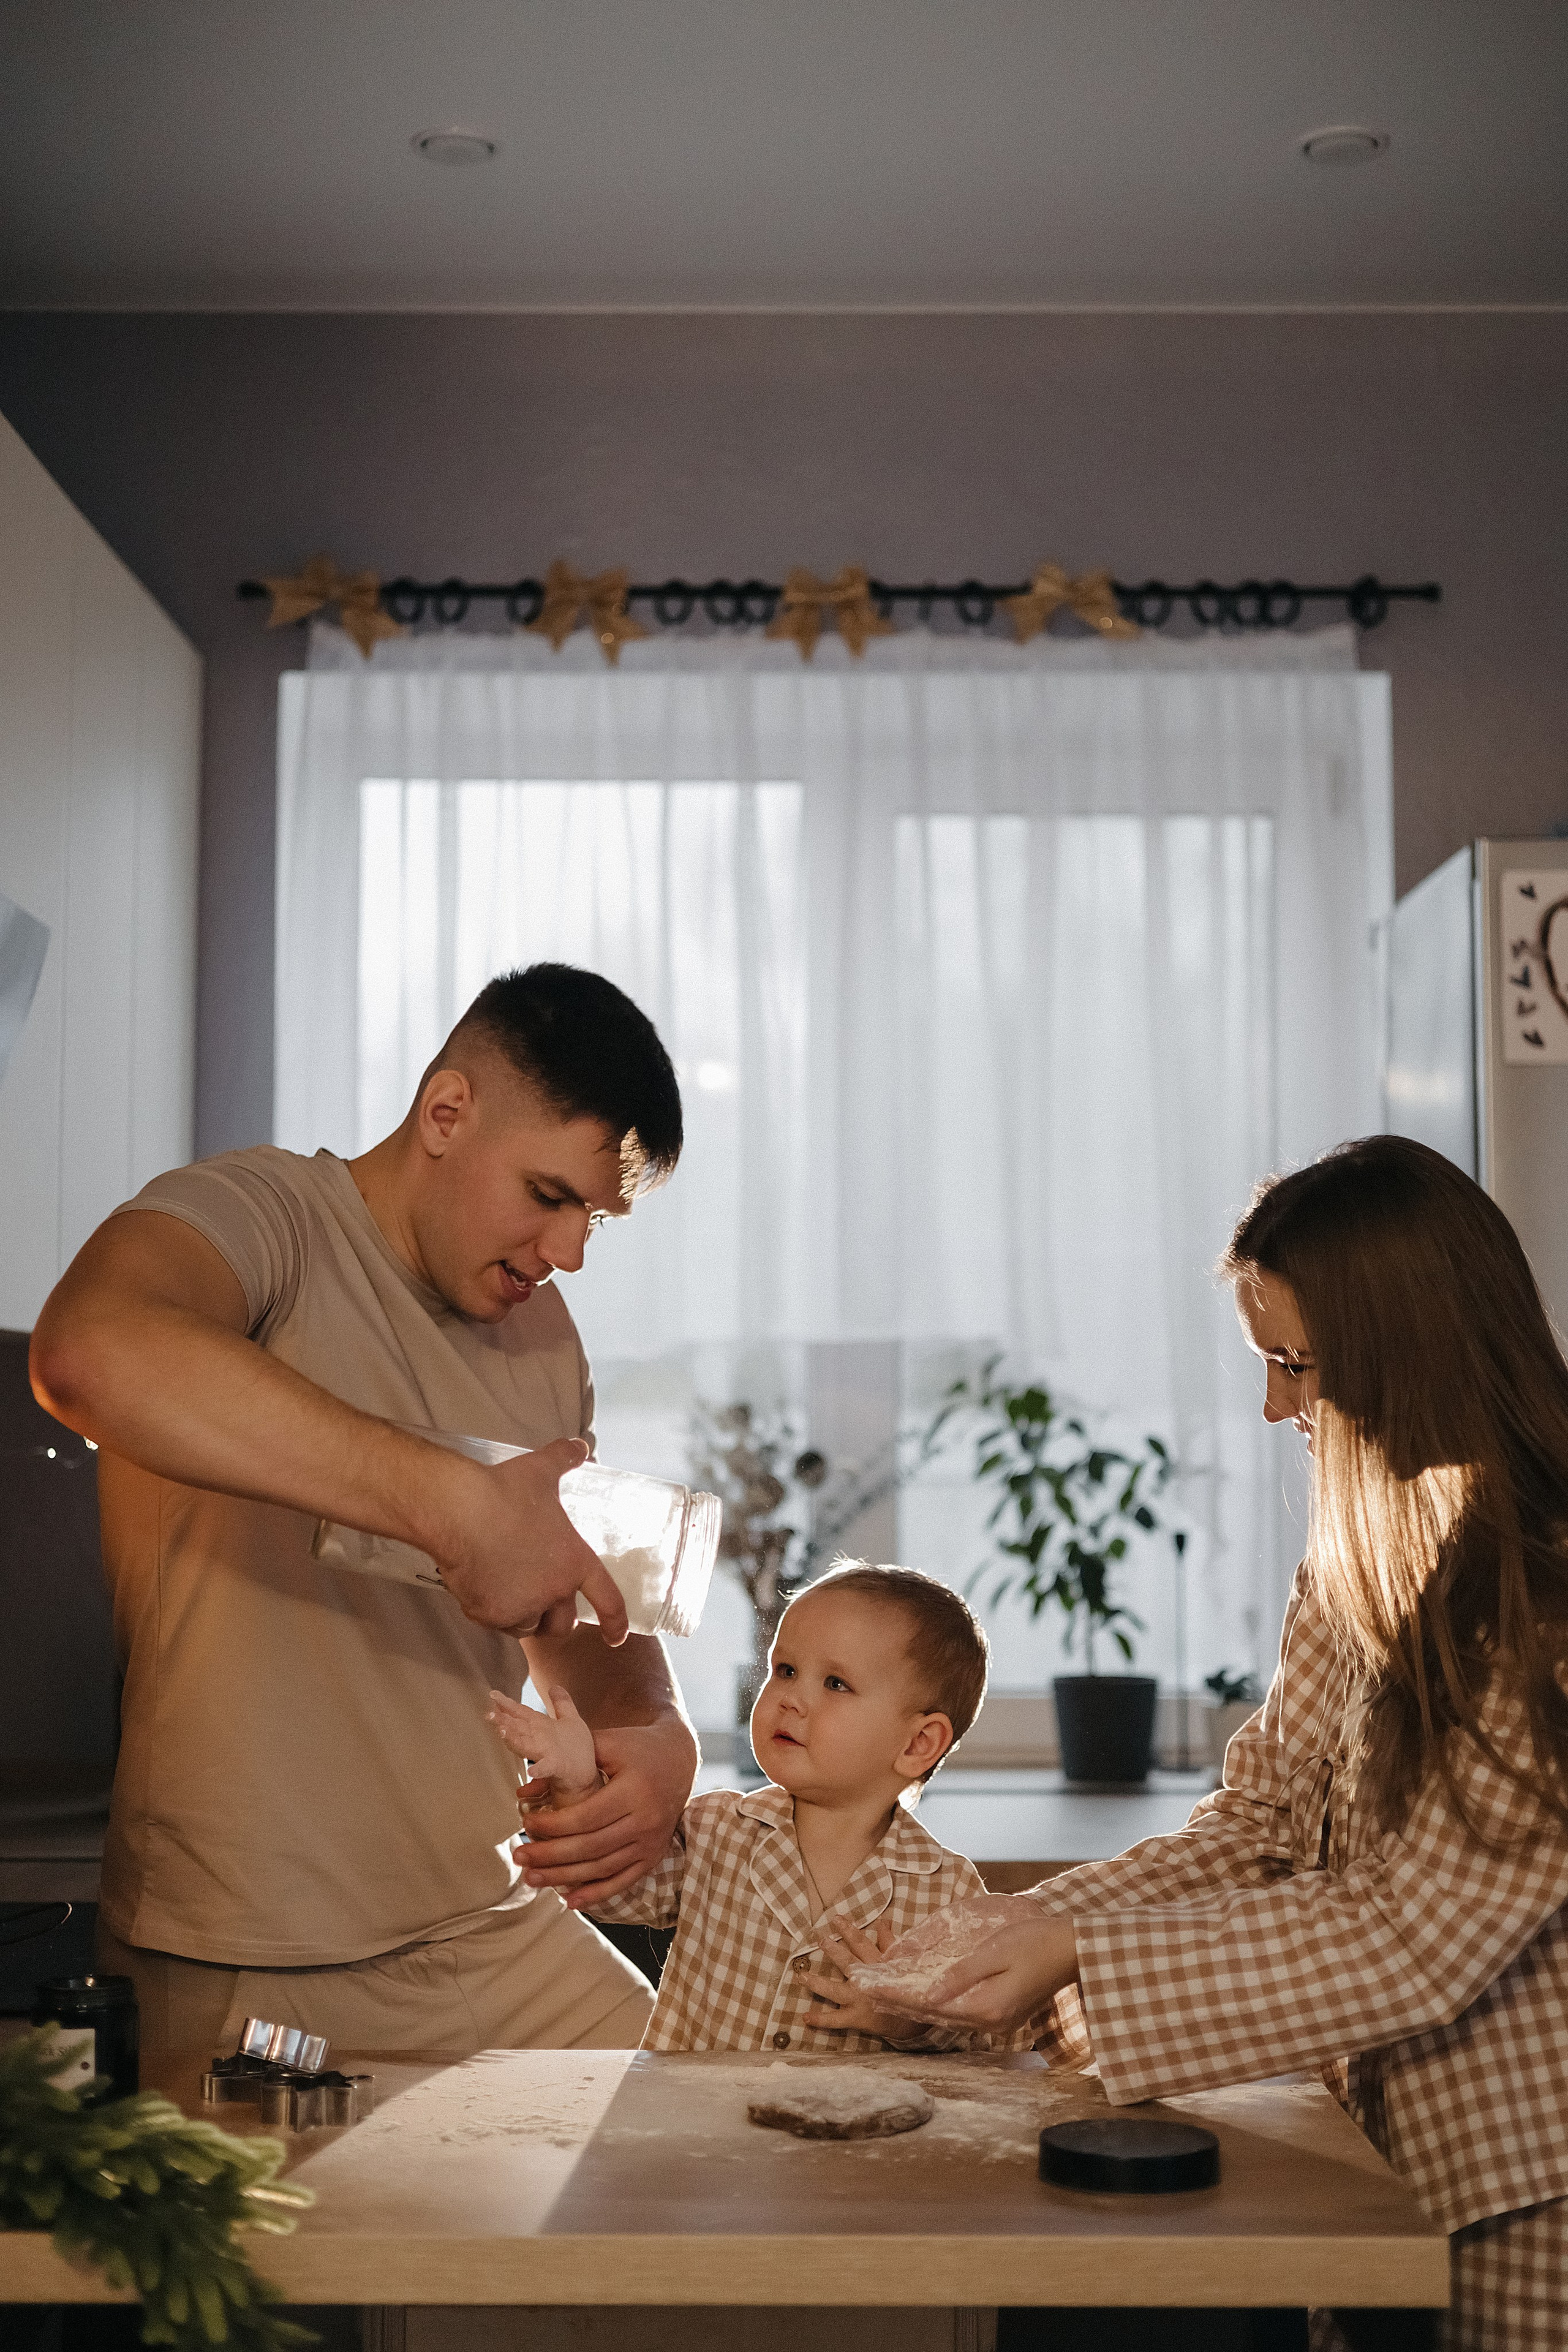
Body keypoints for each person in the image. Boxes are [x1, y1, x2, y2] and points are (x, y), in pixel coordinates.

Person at [820, 1138, 1568, 2349]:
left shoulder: (1545, 1588)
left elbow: (1414, 1932)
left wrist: (1069, 1951)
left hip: (1531, 2181)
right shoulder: (1358, 1550)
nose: (1273, 1405)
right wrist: (1019, 1932)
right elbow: (1264, 1825)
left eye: (1293, 1365)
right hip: (1378, 2159)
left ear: (1405, 1351)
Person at [29, 963, 700, 2060]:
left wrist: (657, 1741)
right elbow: (90, 1350)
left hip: (496, 1925)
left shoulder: (544, 1335)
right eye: (548, 1196)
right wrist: (449, 1505)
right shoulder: (260, 1215)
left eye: (598, 1217)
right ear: (446, 1113)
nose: (571, 1251)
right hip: (250, 1949)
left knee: (719, 2181)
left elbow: (572, 1603)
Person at [488, 1563, 1026, 2053]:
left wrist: (911, 2023)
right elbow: (621, 1894)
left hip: (843, 2156)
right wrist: (578, 1783)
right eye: (785, 1669)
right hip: (694, 2133)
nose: (790, 1697)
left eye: (835, 1683)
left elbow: (994, 2036)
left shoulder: (949, 1891)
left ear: (917, 1745)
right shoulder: (715, 1827)